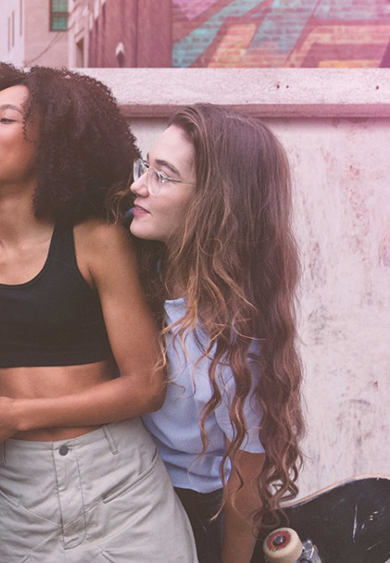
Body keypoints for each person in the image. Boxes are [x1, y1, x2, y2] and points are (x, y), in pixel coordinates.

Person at [0, 63, 198, 561]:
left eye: (7, 119)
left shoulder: (95, 238)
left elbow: (146, 385)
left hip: (118, 486)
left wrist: (20, 413)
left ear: (52, 145)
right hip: (21, 496)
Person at [121, 104, 304, 562]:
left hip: (200, 514)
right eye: (146, 166)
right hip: (130, 497)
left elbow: (246, 483)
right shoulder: (137, 260)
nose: (137, 185)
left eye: (162, 175)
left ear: (215, 204)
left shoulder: (242, 330)